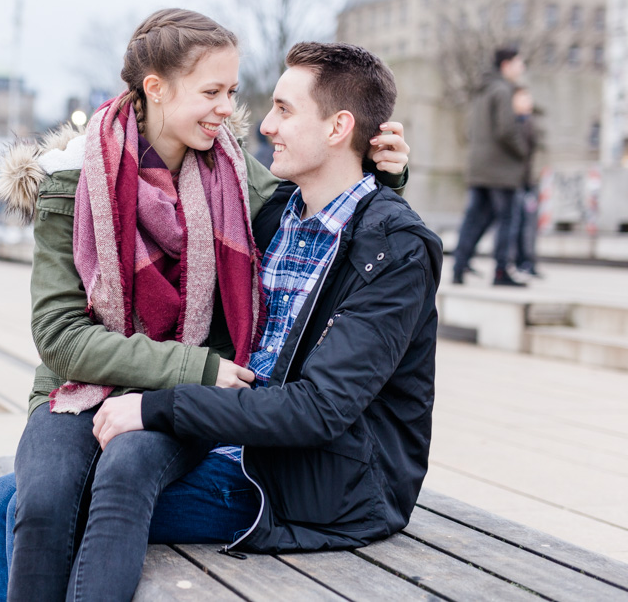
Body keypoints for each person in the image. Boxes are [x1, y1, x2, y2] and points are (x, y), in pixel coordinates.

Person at [0, 12, 411, 602]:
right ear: (156, 88)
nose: (229, 110)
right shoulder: (71, 183)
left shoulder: (234, 174)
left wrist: (382, 170)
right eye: (211, 92)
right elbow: (60, 336)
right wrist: (198, 369)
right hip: (85, 385)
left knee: (93, 480)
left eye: (232, 92)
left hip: (188, 404)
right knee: (35, 503)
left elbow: (329, 206)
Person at [92, 41, 441, 561]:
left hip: (308, 487)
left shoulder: (398, 251)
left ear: (337, 127)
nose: (265, 126)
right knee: (19, 492)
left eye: (284, 110)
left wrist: (158, 407)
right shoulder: (277, 213)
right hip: (227, 442)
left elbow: (320, 408)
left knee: (33, 506)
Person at [451, 47, 530, 287]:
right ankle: (501, 271)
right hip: (501, 168)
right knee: (507, 219)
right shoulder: (503, 89)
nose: (522, 68)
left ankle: (459, 266)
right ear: (506, 65)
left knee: (474, 218)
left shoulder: (480, 91)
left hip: (478, 166)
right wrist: (522, 151)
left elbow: (469, 130)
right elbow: (506, 129)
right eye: (519, 63)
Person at [512, 87, 541, 277]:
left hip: (527, 181)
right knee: (516, 223)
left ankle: (527, 262)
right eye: (523, 98)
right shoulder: (513, 123)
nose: (528, 102)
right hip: (514, 181)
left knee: (528, 223)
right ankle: (518, 261)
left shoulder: (530, 122)